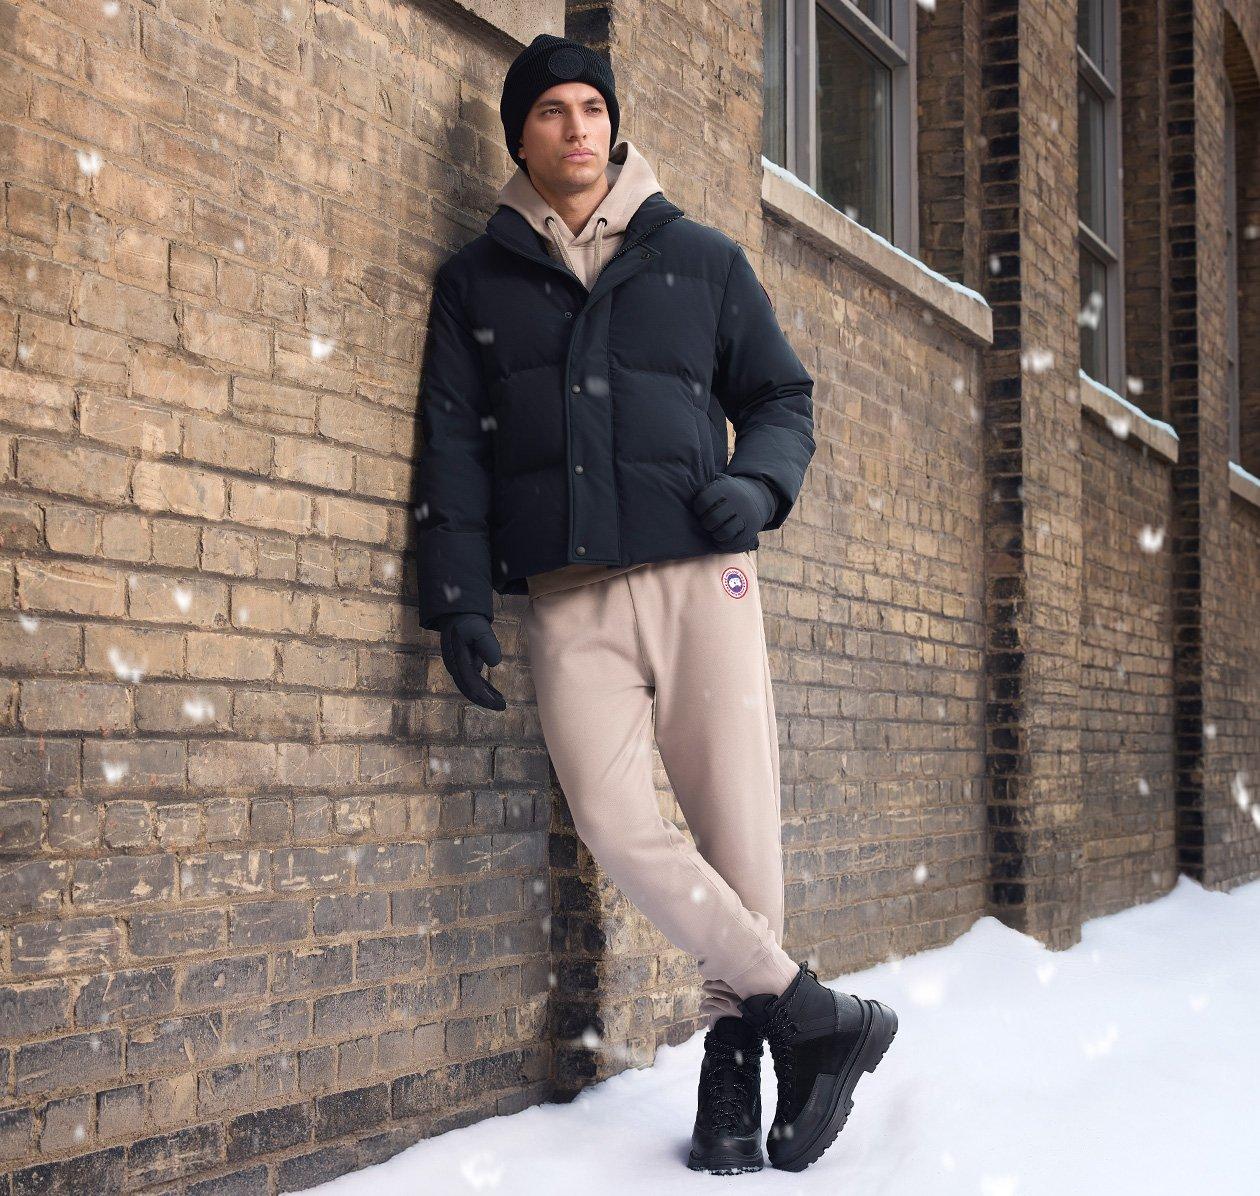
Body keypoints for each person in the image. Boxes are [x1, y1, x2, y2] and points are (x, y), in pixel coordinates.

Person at [414, 33, 898, 1175]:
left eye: (592, 107)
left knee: (738, 828)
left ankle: (741, 1055)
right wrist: (458, 599)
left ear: (614, 125)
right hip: (566, 597)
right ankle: (811, 1014)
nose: (576, 127)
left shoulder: (705, 261)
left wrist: (757, 481)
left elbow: (781, 393)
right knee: (617, 822)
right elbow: (451, 449)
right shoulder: (474, 283)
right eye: (551, 113)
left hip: (702, 576)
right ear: (519, 136)